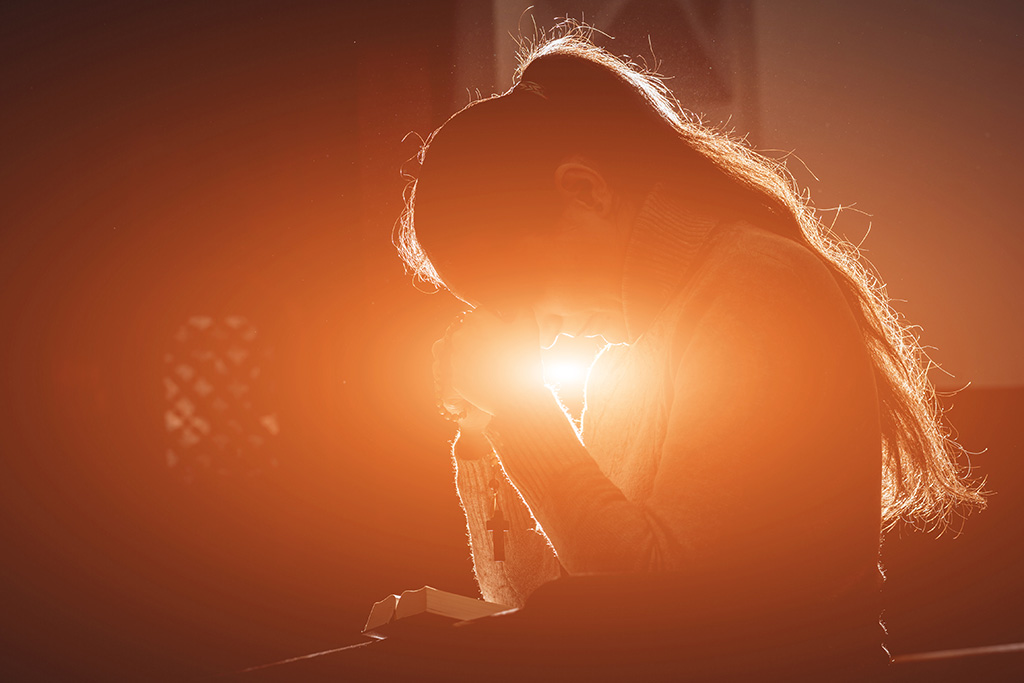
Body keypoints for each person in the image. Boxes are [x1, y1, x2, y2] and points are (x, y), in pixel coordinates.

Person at [394, 25, 984, 681]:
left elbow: (661, 602)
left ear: (585, 190)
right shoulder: (626, 350)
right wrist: (484, 432)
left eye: (529, 291)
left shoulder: (758, 285)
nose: (546, 328)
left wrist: (523, 413)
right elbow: (550, 595)